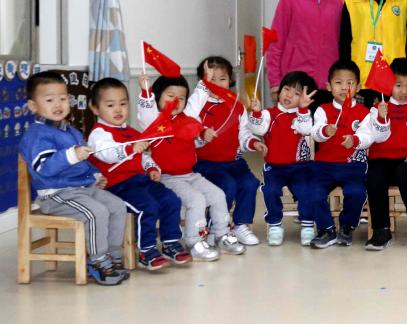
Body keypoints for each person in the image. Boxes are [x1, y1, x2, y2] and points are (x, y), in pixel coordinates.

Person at [19, 71, 129, 285]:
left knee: (117, 206)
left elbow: (83, 162)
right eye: (49, 100)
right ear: (33, 106)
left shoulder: (71, 132)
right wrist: (71, 155)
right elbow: (44, 168)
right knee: (96, 212)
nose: (58, 104)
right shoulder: (37, 135)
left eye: (63, 98)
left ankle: (112, 254)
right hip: (55, 195)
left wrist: (95, 175)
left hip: (81, 190)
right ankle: (97, 261)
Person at [138, 75, 245, 260]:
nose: (176, 101)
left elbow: (195, 138)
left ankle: (221, 234)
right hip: (168, 178)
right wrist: (146, 92)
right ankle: (193, 241)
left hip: (191, 175)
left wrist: (204, 136)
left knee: (218, 195)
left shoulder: (186, 119)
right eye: (170, 96)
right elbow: (145, 112)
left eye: (181, 98)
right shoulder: (154, 122)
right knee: (196, 200)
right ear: (157, 97)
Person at [87, 77, 188, 270]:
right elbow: (106, 153)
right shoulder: (99, 133)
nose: (118, 109)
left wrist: (151, 168)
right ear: (95, 108)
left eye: (123, 104)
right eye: (110, 105)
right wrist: (129, 148)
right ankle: (146, 250)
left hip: (139, 181)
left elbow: (142, 157)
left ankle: (170, 242)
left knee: (171, 200)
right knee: (147, 206)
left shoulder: (132, 132)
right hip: (116, 187)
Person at [190, 56, 265, 246]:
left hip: (234, 162)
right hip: (205, 164)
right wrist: (202, 137)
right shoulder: (197, 106)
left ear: (230, 80)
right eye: (211, 79)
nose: (217, 84)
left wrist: (253, 143)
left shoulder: (237, 106)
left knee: (250, 183)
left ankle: (241, 225)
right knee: (227, 185)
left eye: (222, 79)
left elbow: (243, 134)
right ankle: (215, 226)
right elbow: (189, 136)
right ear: (202, 81)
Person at [363, 58, 407, 251]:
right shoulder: (377, 108)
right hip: (381, 158)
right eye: (398, 85)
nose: (403, 91)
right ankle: (381, 229)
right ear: (388, 85)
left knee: (405, 174)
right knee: (374, 178)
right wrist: (380, 117)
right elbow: (375, 136)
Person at [266, 0, 345, 103]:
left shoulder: (341, 1)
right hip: (294, 83)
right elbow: (276, 42)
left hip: (328, 84)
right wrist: (275, 82)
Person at [308, 60, 376, 249]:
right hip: (324, 166)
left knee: (357, 192)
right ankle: (326, 229)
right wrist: (324, 131)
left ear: (358, 87)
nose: (344, 87)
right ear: (329, 86)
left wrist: (355, 140)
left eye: (350, 83)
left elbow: (368, 136)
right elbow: (315, 132)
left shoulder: (364, 112)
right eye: (338, 83)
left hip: (353, 166)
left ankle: (347, 226)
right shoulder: (322, 110)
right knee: (313, 192)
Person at [249, 70, 318, 246]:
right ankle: (274, 225)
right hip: (274, 168)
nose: (289, 96)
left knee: (305, 190)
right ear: (279, 91)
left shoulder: (302, 115)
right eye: (287, 89)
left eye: (297, 94)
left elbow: (305, 129)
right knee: (270, 191)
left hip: (300, 167)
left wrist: (303, 109)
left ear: (304, 98)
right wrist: (256, 113)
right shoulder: (268, 113)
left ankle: (308, 225)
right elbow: (258, 129)